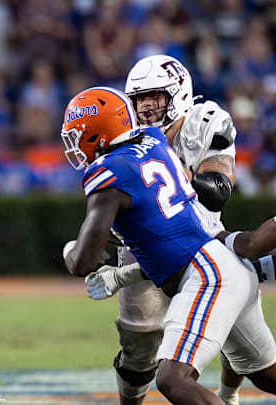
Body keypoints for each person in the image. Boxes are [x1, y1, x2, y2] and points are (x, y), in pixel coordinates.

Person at [61, 86, 276, 404]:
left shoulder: (107, 175)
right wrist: (119, 275)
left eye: (78, 134)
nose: (74, 143)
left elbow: (82, 262)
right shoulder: (154, 141)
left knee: (173, 379)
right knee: (267, 375)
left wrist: (71, 251)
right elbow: (155, 230)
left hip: (207, 275)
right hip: (225, 263)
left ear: (97, 132)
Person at [83, 55, 243, 405]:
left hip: (203, 234)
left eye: (154, 97)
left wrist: (183, 175)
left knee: (238, 326)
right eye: (139, 98)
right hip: (146, 246)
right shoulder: (123, 132)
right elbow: (110, 206)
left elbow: (218, 193)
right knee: (139, 344)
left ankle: (229, 396)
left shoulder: (206, 121)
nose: (146, 106)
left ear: (179, 93)